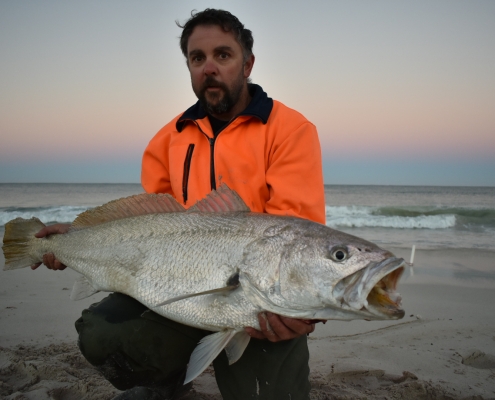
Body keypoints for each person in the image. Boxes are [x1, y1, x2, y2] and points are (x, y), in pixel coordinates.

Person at [33, 9, 326, 400]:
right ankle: (166, 382)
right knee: (102, 334)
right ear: (188, 65)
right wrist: (76, 241)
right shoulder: (166, 139)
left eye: (223, 55)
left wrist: (300, 303)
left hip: (255, 300)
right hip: (178, 291)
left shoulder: (290, 130)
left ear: (248, 63)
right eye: (197, 58)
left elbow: (298, 236)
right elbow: (145, 228)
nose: (209, 68)